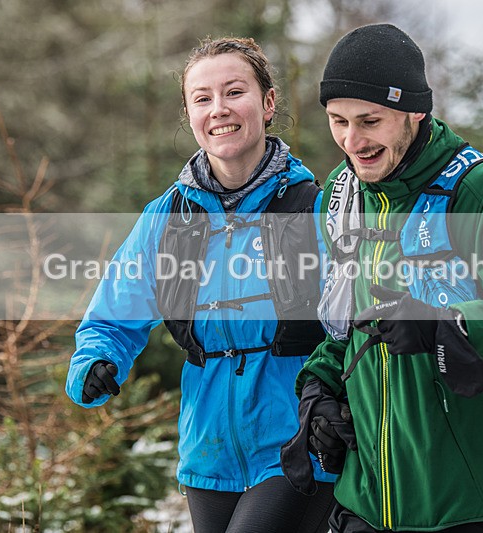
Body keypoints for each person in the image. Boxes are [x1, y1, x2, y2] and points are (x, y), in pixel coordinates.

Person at [280, 24, 483, 532]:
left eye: (370, 121)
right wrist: (316, 389)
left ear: (415, 111)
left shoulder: (481, 193)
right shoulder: (341, 198)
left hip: (466, 508)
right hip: (364, 507)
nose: (352, 141)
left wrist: (449, 322)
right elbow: (345, 329)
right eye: (337, 121)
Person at [65, 36, 337, 533]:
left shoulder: (313, 208)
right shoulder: (165, 218)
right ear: (189, 112)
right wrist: (94, 359)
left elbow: (360, 322)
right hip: (207, 447)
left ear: (268, 102)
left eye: (235, 92)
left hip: (297, 437)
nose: (219, 110)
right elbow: (112, 313)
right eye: (202, 98)